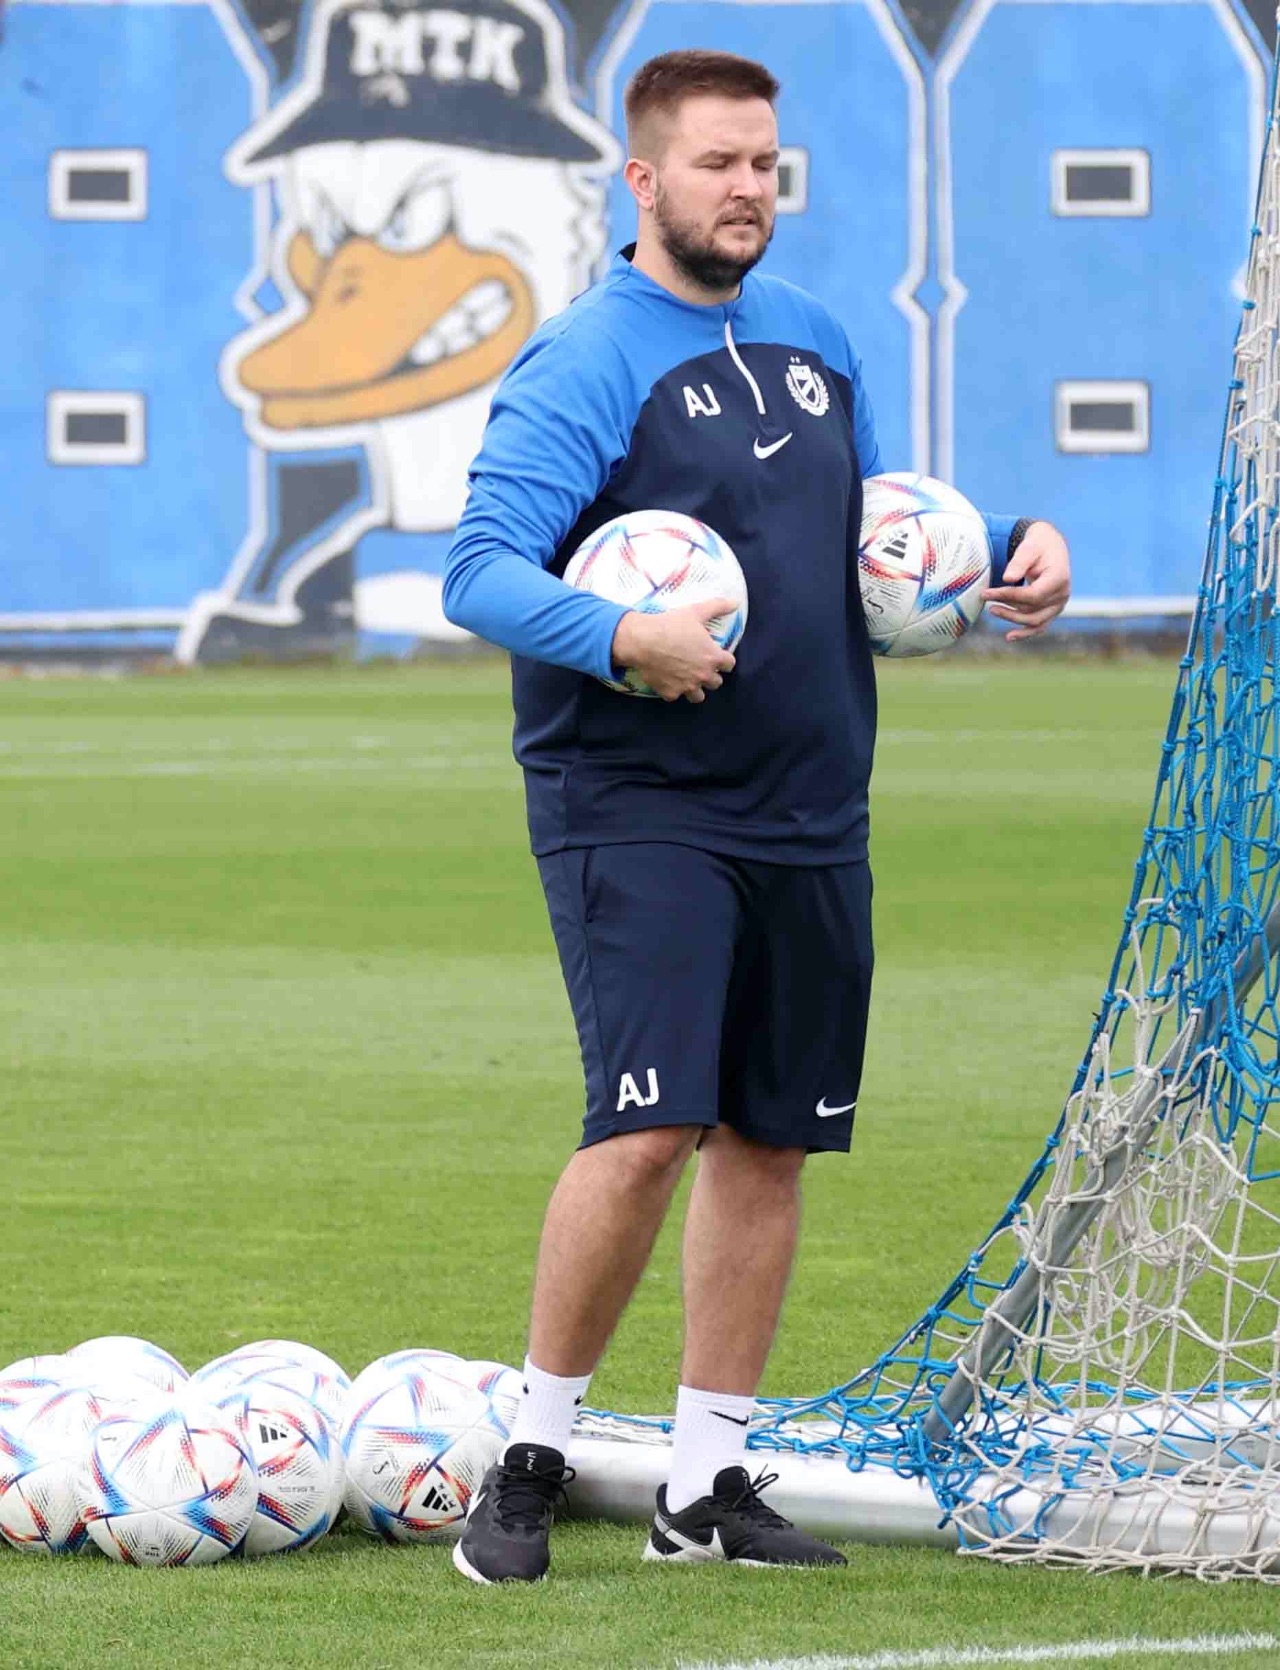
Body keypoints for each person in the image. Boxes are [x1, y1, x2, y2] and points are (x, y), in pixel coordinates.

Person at [442, 48, 1071, 1585]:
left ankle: (704, 1482)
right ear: (642, 180)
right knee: (647, 1127)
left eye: (763, 164)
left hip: (812, 806)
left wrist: (1014, 547)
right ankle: (530, 1457)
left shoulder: (816, 338)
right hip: (639, 803)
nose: (747, 189)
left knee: (770, 1141)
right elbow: (479, 571)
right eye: (717, 164)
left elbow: (867, 535)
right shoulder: (589, 357)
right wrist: (622, 636)